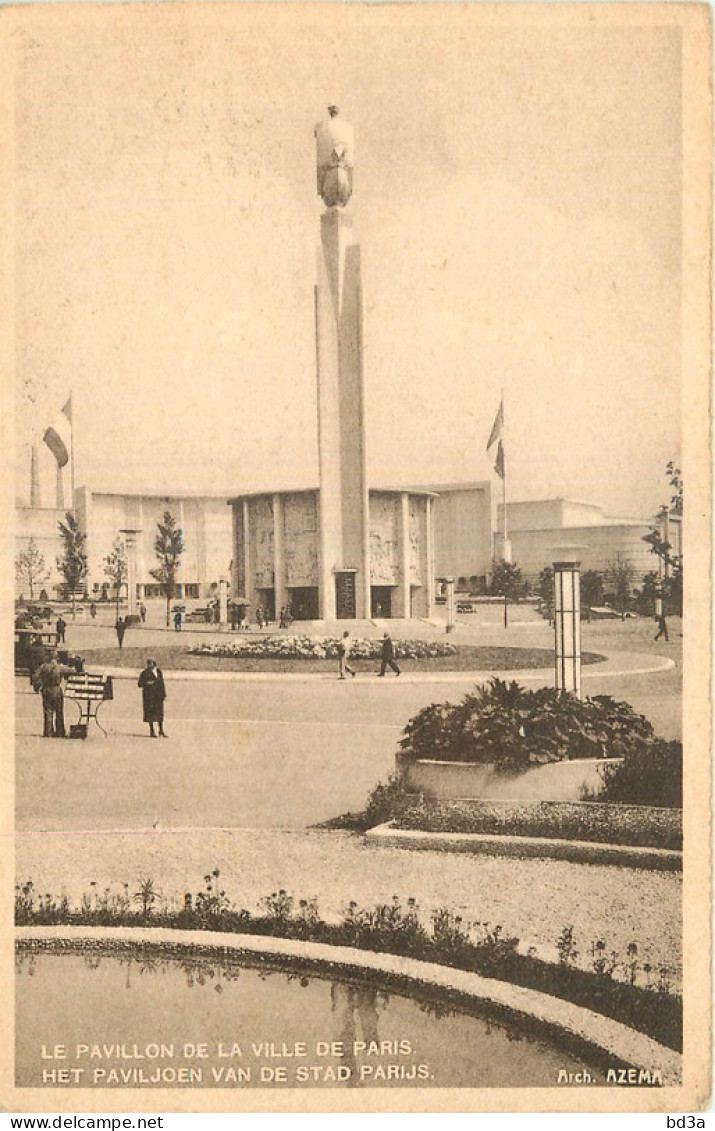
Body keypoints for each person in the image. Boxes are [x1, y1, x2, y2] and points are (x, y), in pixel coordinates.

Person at [32, 656, 75, 738]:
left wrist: (37, 687)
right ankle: (60, 732)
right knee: (59, 711)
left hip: (46, 689)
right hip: (56, 689)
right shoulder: (59, 667)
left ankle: (48, 732)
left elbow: (35, 676)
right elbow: (72, 671)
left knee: (48, 711)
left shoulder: (43, 666)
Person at [137, 659, 167, 738]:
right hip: (149, 697)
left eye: (151, 664)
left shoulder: (159, 672)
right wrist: (147, 683)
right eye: (148, 664)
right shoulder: (144, 673)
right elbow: (139, 684)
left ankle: (161, 730)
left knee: (160, 714)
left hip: (158, 696)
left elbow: (162, 683)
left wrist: (163, 694)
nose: (149, 666)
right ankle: (152, 731)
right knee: (150, 714)